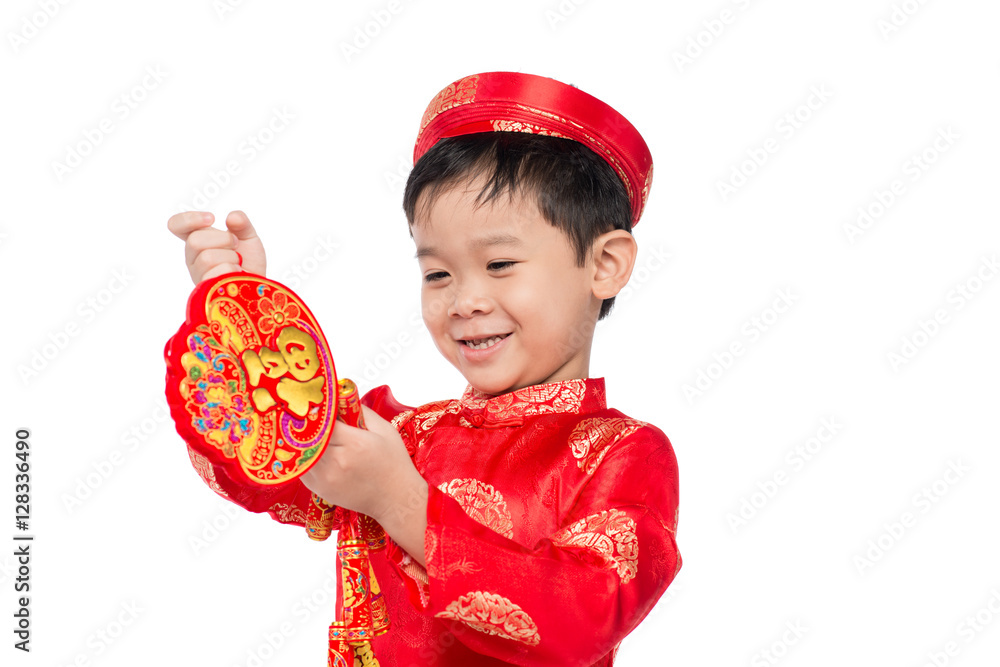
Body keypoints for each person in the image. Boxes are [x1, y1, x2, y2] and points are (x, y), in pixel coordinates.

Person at [167, 71, 681, 666]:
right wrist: (241, 312)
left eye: (501, 263)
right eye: (438, 273)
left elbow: (582, 620)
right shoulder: (400, 435)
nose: (463, 300)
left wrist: (402, 502)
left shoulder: (623, 455)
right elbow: (266, 454)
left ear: (606, 265)